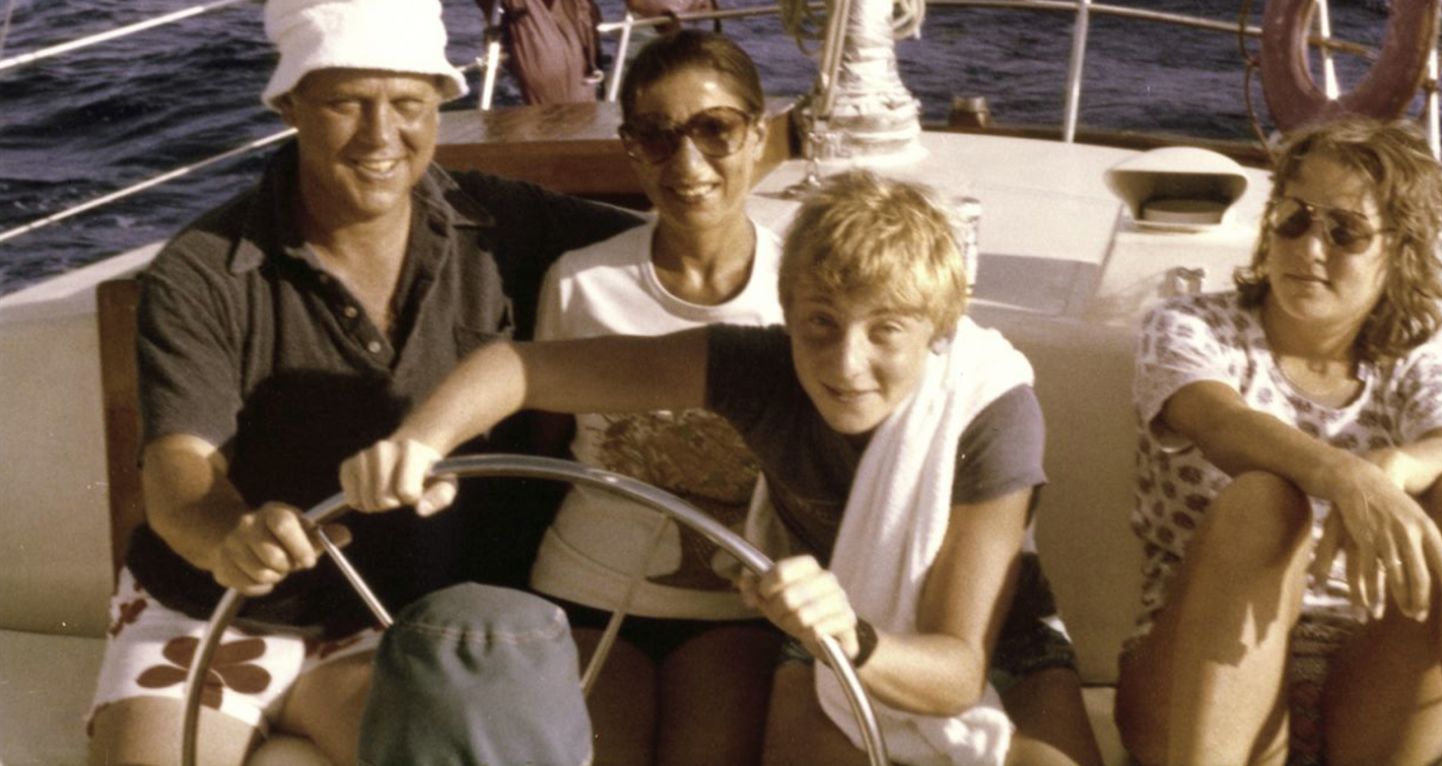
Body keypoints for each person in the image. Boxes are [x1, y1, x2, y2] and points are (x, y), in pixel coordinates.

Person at [342, 169, 1103, 766]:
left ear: (936, 329)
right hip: (817, 639)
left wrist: (856, 635)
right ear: (789, 315)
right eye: (820, 325)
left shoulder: (990, 414)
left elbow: (958, 673)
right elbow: (522, 368)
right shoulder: (763, 369)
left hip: (1001, 650)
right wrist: (420, 439)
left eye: (887, 331)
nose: (846, 363)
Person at [87, 0, 637, 766]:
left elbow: (665, 252)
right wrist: (231, 537)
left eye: (409, 105)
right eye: (347, 103)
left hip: (394, 621)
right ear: (289, 106)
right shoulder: (203, 268)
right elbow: (178, 480)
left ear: (439, 108)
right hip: (210, 607)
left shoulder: (512, 227)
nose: (383, 137)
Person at [1113, 117, 1442, 766]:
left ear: (1401, 250)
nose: (1309, 248)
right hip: (1193, 688)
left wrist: (1393, 467)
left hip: (1365, 696)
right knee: (1266, 500)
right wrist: (1345, 479)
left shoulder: (1413, 367)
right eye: (1295, 217)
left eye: (1344, 231)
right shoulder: (1189, 328)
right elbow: (1219, 424)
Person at [526, 29, 784, 765]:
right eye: (657, 136)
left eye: (716, 130)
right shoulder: (578, 282)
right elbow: (549, 450)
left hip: (737, 607)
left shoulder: (806, 287)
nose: (689, 163)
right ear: (632, 147)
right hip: (582, 591)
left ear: (759, 135)